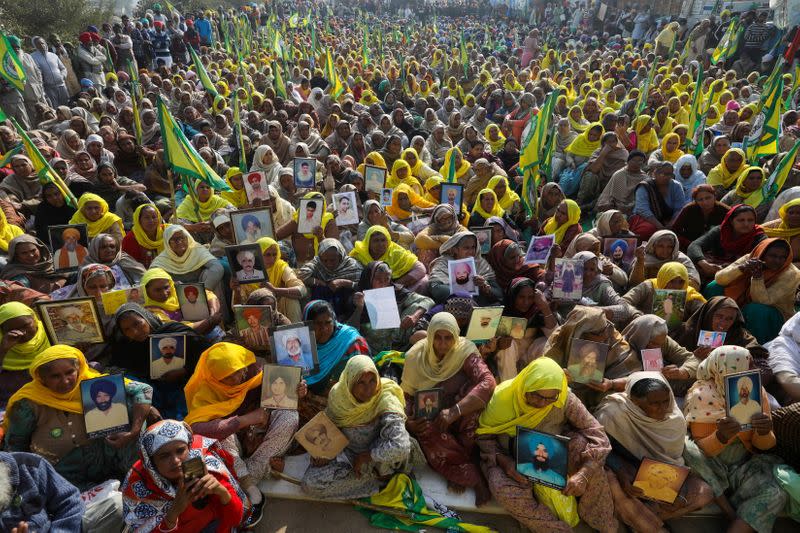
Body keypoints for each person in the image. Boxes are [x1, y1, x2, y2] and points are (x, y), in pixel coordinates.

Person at [476, 358, 618, 532]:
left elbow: (596, 432)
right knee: (501, 487)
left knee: (585, 451)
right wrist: (505, 463)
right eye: (536, 395)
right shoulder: (501, 400)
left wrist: (584, 473)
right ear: (525, 386)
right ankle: (556, 528)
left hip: (554, 451)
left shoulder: (564, 397)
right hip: (512, 457)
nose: (542, 403)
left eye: (550, 398)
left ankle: (601, 521)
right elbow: (484, 437)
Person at [4, 345, 152, 495]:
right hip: (61, 470)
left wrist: (134, 430)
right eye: (55, 376)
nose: (65, 381)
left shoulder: (92, 383)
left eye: (70, 372)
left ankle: (136, 478)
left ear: (79, 369)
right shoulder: (28, 403)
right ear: (42, 379)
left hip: (102, 457)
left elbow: (144, 390)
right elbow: (15, 445)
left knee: (130, 404)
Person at [184, 343, 302, 508]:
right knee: (219, 435)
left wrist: (298, 390)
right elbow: (195, 429)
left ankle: (243, 480)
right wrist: (243, 420)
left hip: (262, 437)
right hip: (235, 443)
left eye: (240, 370)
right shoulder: (205, 392)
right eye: (229, 375)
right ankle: (249, 482)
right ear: (214, 377)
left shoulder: (256, 372)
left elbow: (282, 395)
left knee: (289, 416)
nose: (239, 376)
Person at [683, 346, 787, 533]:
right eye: (749, 364)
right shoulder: (702, 394)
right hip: (710, 468)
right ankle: (730, 511)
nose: (754, 369)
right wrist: (721, 436)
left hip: (742, 466)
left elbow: (764, 446)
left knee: (776, 494)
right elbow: (702, 451)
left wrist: (764, 432)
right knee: (687, 448)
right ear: (729, 368)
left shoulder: (756, 391)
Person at [595, 372, 714, 530]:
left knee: (704, 493)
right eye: (654, 404)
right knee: (613, 486)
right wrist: (621, 472)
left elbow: (672, 462)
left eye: (666, 401)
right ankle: (653, 526)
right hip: (624, 473)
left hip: (660, 476)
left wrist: (674, 489)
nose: (663, 408)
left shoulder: (674, 420)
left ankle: (645, 520)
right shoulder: (612, 414)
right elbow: (601, 449)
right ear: (635, 402)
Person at [401, 312, 496, 504]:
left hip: (459, 414)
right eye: (437, 337)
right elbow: (406, 396)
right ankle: (472, 476)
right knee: (425, 430)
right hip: (431, 415)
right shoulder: (415, 356)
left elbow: (487, 382)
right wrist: (409, 422)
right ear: (429, 336)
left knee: (474, 404)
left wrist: (455, 411)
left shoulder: (465, 351)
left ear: (455, 336)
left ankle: (464, 463)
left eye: (448, 337)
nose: (442, 344)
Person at [301, 355, 420, 499]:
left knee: (395, 452)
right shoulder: (339, 397)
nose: (368, 389)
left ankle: (382, 476)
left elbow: (401, 446)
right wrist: (323, 455)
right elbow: (329, 427)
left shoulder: (386, 397)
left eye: (372, 381)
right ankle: (378, 481)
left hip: (381, 456)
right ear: (350, 382)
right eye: (361, 383)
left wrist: (367, 457)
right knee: (310, 484)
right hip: (350, 453)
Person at [121, 419, 257, 532]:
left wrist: (222, 493)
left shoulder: (204, 466)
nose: (175, 461)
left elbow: (233, 519)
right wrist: (173, 512)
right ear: (151, 461)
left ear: (189, 448)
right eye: (164, 456)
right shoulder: (138, 485)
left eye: (180, 451)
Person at [540, 306, 641, 409]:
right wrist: (560, 375)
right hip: (564, 393)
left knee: (617, 405)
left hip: (600, 393)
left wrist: (611, 384)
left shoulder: (612, 337)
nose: (605, 336)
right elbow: (543, 374)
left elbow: (636, 377)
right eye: (599, 332)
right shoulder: (560, 338)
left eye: (606, 329)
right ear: (580, 332)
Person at [707, 238, 799, 343]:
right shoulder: (751, 258)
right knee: (714, 287)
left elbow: (763, 301)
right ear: (762, 254)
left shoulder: (791, 274)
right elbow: (719, 278)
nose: (778, 261)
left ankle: (755, 349)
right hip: (744, 305)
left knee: (756, 309)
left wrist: (757, 278)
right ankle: (710, 339)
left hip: (772, 316)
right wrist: (741, 268)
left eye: (782, 257)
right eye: (773, 256)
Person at [0, 301, 51, 406]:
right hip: (11, 404)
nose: (22, 333)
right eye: (12, 329)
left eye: (26, 325)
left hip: (50, 400)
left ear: (34, 319)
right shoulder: (3, 344)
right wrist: (3, 350)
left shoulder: (51, 333)